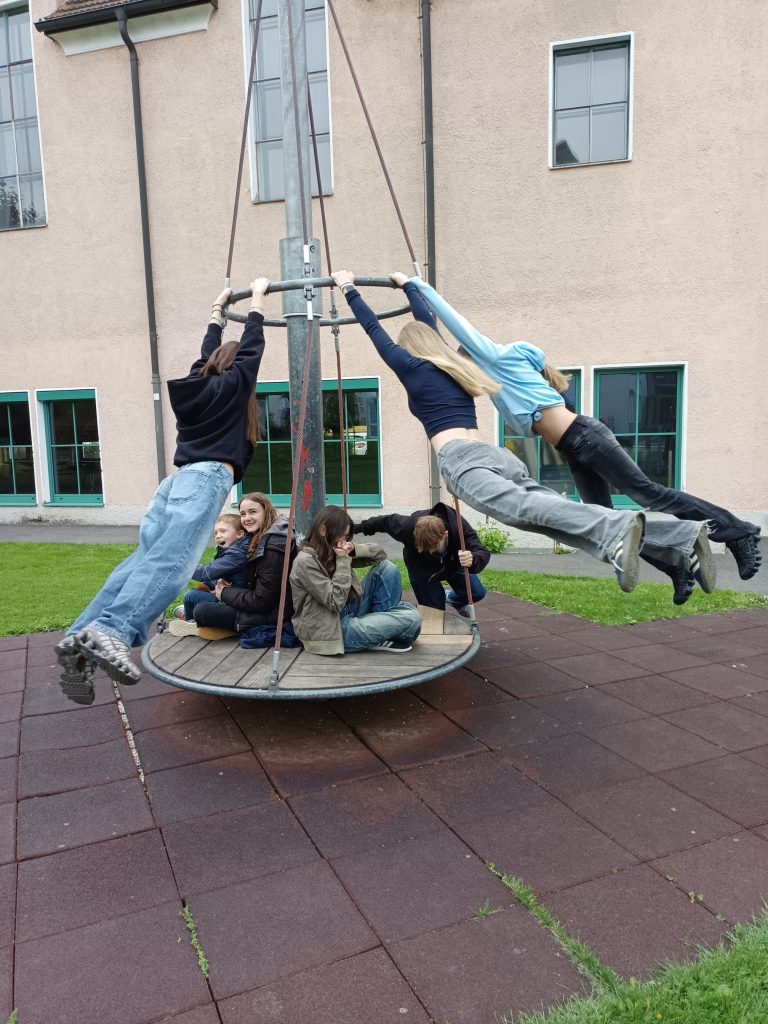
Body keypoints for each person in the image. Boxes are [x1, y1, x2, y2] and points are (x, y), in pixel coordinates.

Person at [330, 270, 715, 599]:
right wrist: (409, 287)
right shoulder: (451, 366)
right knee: (542, 517)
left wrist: (348, 288)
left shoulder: (410, 366)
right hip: (494, 456)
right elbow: (424, 321)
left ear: (408, 348)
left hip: (462, 461)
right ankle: (678, 541)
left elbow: (374, 330)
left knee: (528, 510)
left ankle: (621, 531)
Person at [55, 276, 272, 704]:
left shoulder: (195, 387)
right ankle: (112, 631)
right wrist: (258, 302)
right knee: (172, 564)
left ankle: (81, 636)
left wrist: (216, 314)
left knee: (143, 561)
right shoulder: (234, 389)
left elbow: (205, 356)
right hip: (205, 479)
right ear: (237, 371)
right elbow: (252, 351)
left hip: (175, 483)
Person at [290, 505, 422, 655]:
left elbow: (380, 555)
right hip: (332, 632)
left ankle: (380, 634)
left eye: (346, 537)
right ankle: (383, 633)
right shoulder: (305, 562)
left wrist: (352, 548)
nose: (344, 540)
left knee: (388, 568)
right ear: (323, 530)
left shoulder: (331, 551)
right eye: (341, 535)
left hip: (349, 612)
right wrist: (342, 561)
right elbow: (335, 601)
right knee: (412, 617)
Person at [171, 492, 296, 637]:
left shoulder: (274, 546)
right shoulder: (256, 535)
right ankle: (200, 620)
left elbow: (262, 601)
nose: (247, 518)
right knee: (198, 592)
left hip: (271, 615)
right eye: (243, 514)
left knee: (201, 610)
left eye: (253, 512)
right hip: (249, 598)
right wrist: (220, 583)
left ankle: (205, 624)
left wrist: (224, 592)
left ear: (266, 511)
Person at [354, 502, 490, 616]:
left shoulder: (458, 527)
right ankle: (436, 607)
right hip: (422, 570)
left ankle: (452, 599)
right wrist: (353, 529)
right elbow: (383, 522)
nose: (431, 551)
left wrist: (473, 559)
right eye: (425, 547)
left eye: (434, 546)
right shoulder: (407, 526)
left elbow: (481, 550)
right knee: (435, 613)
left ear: (445, 534)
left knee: (477, 592)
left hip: (452, 562)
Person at [175, 512, 248, 621]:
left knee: (190, 596)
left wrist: (182, 567)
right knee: (205, 585)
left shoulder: (236, 555)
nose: (218, 536)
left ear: (239, 534)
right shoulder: (235, 550)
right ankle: (189, 613)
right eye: (216, 533)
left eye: (223, 531)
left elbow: (207, 572)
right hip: (230, 592)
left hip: (232, 602)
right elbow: (216, 573)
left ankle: (190, 621)